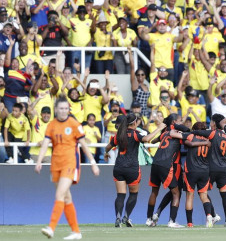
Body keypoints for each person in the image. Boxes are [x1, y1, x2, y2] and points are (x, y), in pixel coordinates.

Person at [35, 95, 100, 240]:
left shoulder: (74, 124)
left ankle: (51, 228)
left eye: (66, 108)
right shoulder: (51, 125)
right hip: (55, 164)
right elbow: (45, 144)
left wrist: (93, 162)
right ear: (56, 110)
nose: (63, 111)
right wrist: (39, 161)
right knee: (66, 198)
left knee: (59, 195)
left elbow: (84, 145)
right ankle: (76, 231)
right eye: (61, 108)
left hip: (70, 164)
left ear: (68, 109)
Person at [104, 113, 165, 227]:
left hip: (119, 167)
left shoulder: (119, 134)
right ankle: (126, 217)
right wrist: (159, 128)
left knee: (120, 195)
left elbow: (108, 147)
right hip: (132, 168)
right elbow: (146, 139)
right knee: (133, 194)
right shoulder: (135, 134)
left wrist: (106, 153)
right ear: (134, 123)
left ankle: (118, 217)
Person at [170, 122, 214, 228]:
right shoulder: (209, 140)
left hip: (191, 170)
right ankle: (209, 216)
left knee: (189, 196)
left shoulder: (191, 136)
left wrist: (185, 130)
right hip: (204, 170)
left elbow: (172, 133)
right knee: (204, 196)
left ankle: (190, 223)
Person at [190, 114, 226, 227]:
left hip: (211, 168)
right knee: (224, 195)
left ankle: (213, 215)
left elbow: (197, 132)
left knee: (202, 193)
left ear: (214, 123)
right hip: (224, 168)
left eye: (211, 122)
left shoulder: (212, 133)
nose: (210, 124)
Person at [146, 113, 185, 228]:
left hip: (155, 163)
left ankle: (149, 219)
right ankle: (172, 221)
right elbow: (188, 139)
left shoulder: (164, 133)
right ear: (174, 123)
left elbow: (153, 141)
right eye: (179, 120)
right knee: (176, 193)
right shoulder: (177, 133)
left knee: (154, 192)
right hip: (168, 165)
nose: (181, 122)